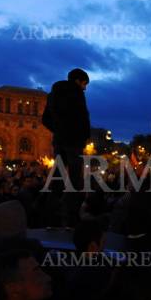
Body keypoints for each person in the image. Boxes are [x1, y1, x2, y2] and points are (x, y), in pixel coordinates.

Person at [42, 68, 92, 226]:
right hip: (74, 142)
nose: (85, 88)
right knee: (75, 180)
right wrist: (83, 136)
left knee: (57, 178)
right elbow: (82, 118)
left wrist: (58, 130)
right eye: (84, 84)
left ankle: (51, 218)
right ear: (78, 80)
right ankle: (71, 219)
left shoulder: (53, 95)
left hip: (59, 141)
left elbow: (45, 119)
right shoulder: (77, 93)